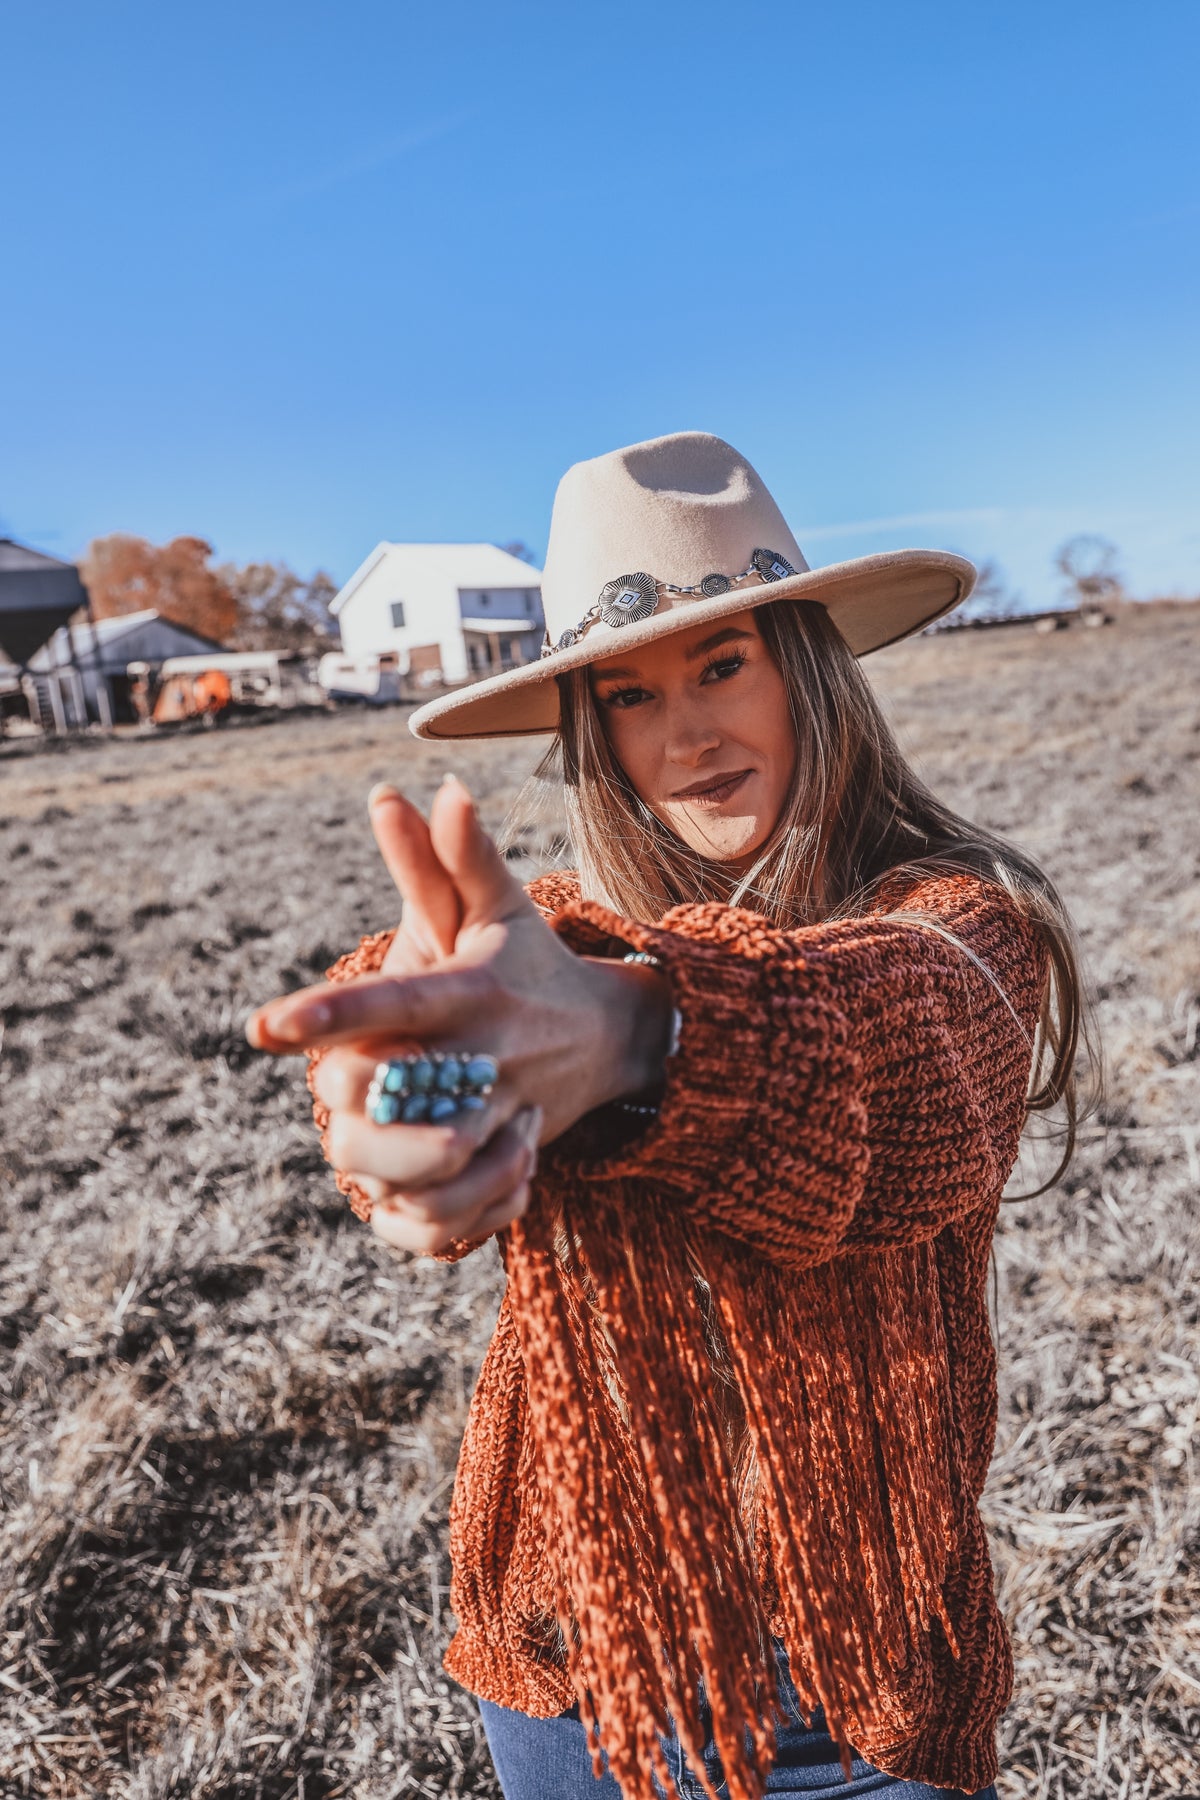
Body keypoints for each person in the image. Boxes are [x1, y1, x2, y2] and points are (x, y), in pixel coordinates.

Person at [246, 433, 1095, 1800]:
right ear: (594, 736)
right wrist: (404, 1083)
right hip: (575, 1667)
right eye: (630, 696)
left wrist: (641, 1036)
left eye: (721, 666)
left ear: (807, 668)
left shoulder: (960, 928)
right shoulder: (570, 938)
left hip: (853, 1696)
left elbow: (899, 1040)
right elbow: (451, 999)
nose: (685, 733)